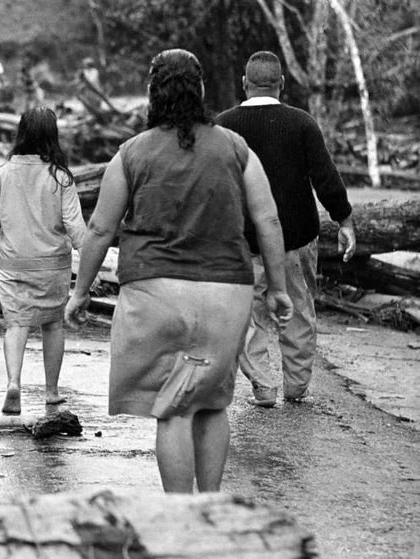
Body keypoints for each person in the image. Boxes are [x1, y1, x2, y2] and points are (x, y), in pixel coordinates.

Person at [64, 49, 293, 493]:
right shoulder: (235, 148)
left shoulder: (132, 153)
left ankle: (179, 518)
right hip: (226, 294)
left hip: (155, 295)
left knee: (173, 407)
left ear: (153, 93)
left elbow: (100, 227)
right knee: (211, 403)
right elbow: (268, 219)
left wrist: (80, 290)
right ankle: (207, 509)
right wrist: (278, 288)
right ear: (201, 90)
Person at [216, 51, 356, 407]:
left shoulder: (224, 127)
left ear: (244, 83)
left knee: (249, 316)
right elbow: (326, 178)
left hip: (243, 241)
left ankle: (263, 385)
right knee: (297, 309)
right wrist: (344, 220)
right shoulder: (301, 123)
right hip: (295, 237)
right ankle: (296, 386)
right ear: (282, 84)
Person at [0, 107, 86, 414]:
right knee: (53, 325)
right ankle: (51, 392)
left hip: (13, 265)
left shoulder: (2, 175)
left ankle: (13, 383)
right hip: (53, 266)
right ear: (52, 136)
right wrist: (89, 257)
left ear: (20, 134)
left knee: (16, 324)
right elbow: (75, 226)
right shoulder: (61, 177)